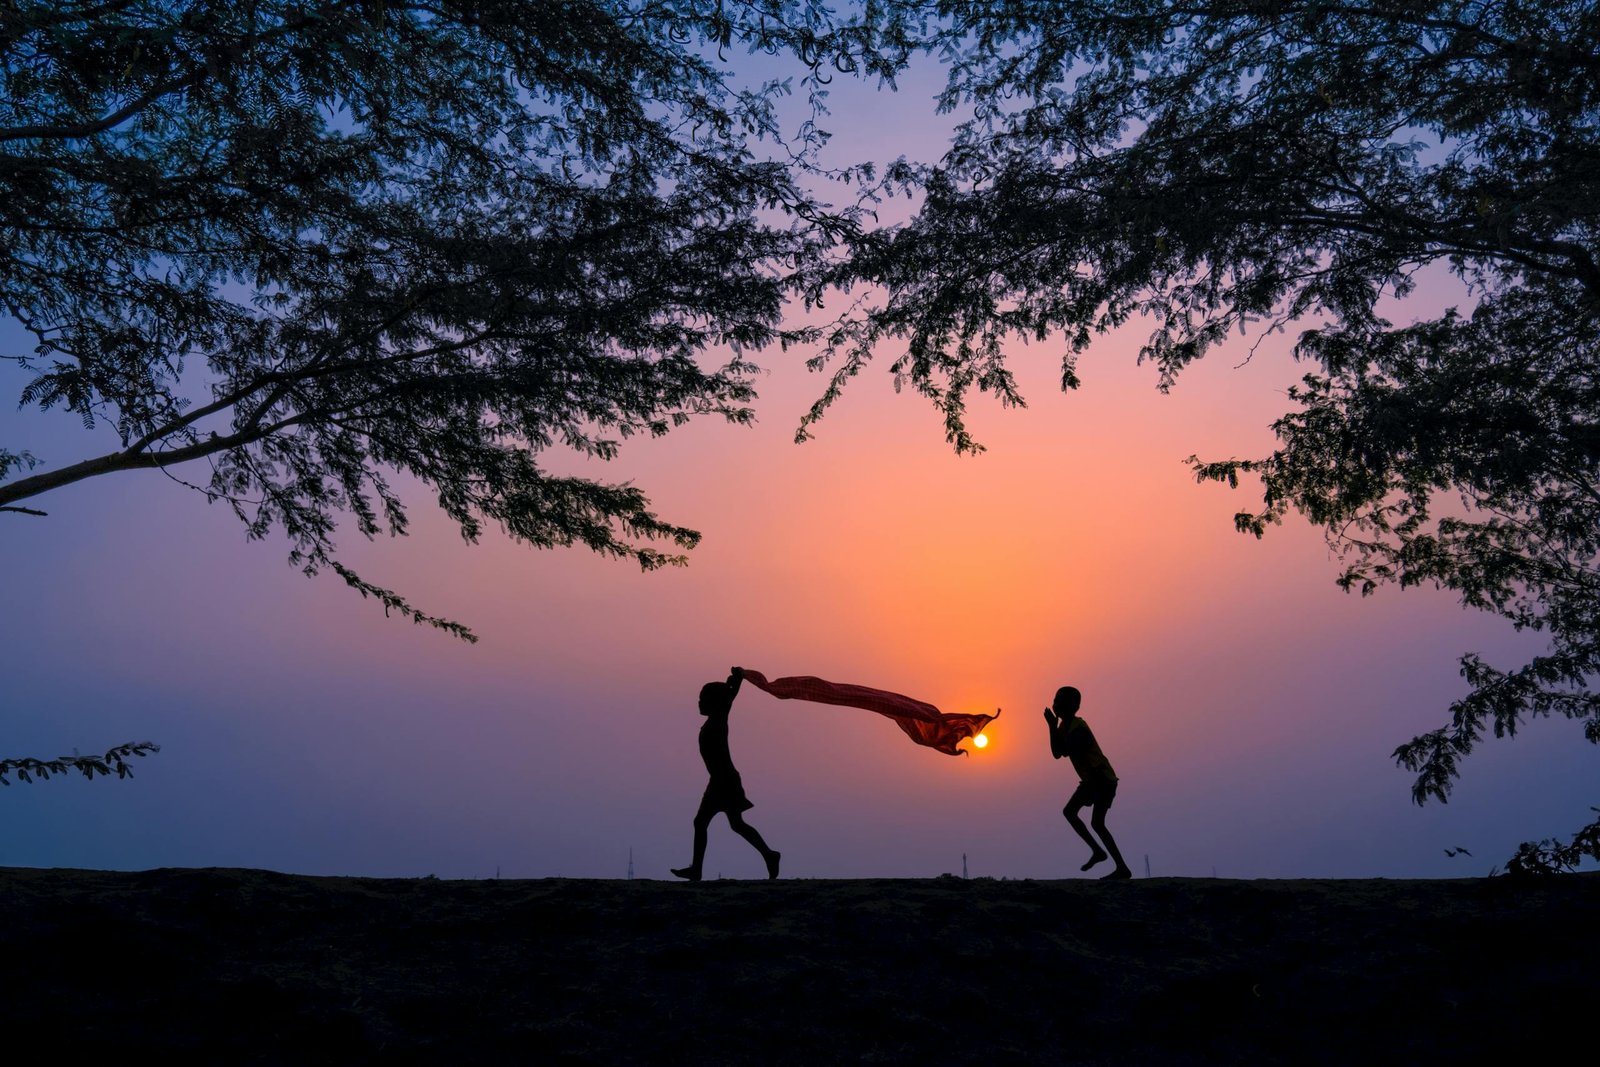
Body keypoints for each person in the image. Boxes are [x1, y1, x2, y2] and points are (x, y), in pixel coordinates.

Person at [671, 667, 781, 881]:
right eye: (699, 698)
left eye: (704, 699)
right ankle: (769, 855)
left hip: (724, 780)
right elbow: (727, 696)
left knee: (703, 822)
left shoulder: (719, 719)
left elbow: (728, 698)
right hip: (719, 780)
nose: (699, 703)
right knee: (734, 824)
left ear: (715, 703)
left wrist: (737, 679)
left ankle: (697, 870)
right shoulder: (711, 722)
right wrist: (733, 681)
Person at [1044, 685, 1132, 880]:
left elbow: (1064, 750)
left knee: (1094, 822)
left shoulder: (1079, 729)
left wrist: (1053, 729)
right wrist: (1051, 727)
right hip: (1092, 780)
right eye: (1055, 700)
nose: (1056, 705)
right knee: (1083, 818)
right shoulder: (1064, 727)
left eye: (1060, 701)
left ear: (1072, 706)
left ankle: (1115, 863)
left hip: (1101, 779)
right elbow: (1057, 753)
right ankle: (1106, 857)